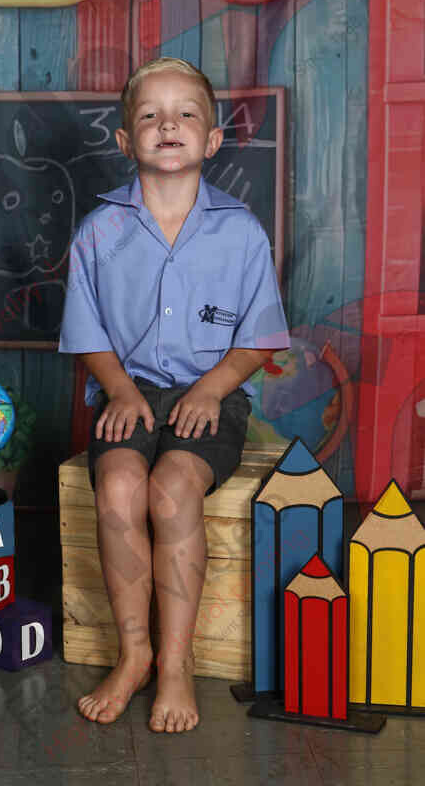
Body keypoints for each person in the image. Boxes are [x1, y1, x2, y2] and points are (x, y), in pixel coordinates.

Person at [58, 57, 290, 733]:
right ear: (125, 139)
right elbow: (86, 330)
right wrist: (118, 390)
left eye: (186, 113)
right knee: (119, 488)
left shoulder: (240, 231)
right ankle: (133, 654)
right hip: (126, 390)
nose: (168, 125)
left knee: (170, 489)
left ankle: (176, 662)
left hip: (208, 394)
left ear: (211, 139)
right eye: (150, 115)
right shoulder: (99, 231)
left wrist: (213, 389)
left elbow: (260, 338)